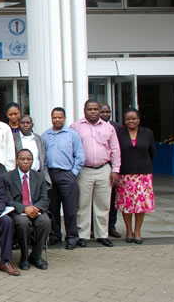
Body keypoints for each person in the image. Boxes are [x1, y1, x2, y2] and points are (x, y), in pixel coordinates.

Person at [70, 99, 121, 248]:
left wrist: (115, 170)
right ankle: (83, 235)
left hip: (104, 169)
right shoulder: (75, 127)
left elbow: (115, 150)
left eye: (95, 109)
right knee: (82, 204)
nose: (93, 112)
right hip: (84, 170)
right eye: (90, 109)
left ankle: (102, 235)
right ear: (84, 110)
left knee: (103, 204)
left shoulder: (108, 128)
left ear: (99, 111)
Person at [41, 107, 85, 250]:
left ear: (64, 118)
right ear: (51, 118)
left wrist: (73, 173)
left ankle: (72, 236)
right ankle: (54, 236)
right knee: (52, 208)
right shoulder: (45, 135)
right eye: (54, 117)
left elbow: (80, 156)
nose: (57, 120)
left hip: (67, 174)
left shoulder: (72, 135)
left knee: (70, 208)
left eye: (60, 117)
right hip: (51, 175)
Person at [3, 149, 50, 271]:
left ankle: (36, 256)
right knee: (23, 223)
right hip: (18, 211)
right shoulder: (7, 177)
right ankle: (24, 256)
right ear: (17, 161)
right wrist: (24, 209)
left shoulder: (39, 177)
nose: (25, 162)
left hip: (36, 210)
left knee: (45, 222)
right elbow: (7, 200)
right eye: (22, 159)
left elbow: (44, 199)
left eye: (28, 159)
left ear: (32, 161)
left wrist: (34, 208)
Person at [115, 108, 156, 244]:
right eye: (128, 119)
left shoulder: (147, 133)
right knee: (126, 205)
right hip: (125, 174)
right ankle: (129, 230)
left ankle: (137, 231)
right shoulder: (119, 133)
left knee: (141, 204)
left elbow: (152, 151)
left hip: (143, 174)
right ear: (125, 121)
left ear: (138, 120)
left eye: (134, 118)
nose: (131, 121)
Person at [100, 103, 122, 238]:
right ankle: (94, 228)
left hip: (112, 168)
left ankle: (111, 227)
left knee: (112, 199)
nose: (105, 114)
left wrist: (117, 169)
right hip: (99, 167)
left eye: (107, 112)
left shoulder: (118, 128)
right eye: (102, 112)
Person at [13, 115, 51, 188]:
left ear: (32, 125)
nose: (25, 125)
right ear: (18, 124)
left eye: (28, 123)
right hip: (20, 177)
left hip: (37, 175)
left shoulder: (39, 139)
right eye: (22, 123)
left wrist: (44, 174)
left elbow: (43, 159)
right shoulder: (13, 138)